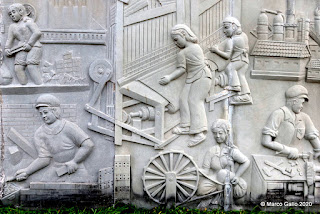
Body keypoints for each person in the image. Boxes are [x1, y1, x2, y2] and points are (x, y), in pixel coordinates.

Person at [15, 94, 94, 182]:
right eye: (41, 113)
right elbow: (44, 158)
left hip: (75, 168)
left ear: (55, 111)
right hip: (56, 169)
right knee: (42, 187)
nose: (43, 116)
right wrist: (27, 171)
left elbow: (88, 145)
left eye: (45, 112)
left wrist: (75, 161)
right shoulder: (39, 133)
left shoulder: (69, 127)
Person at [159, 24, 212, 147]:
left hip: (202, 77)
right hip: (192, 78)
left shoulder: (191, 50)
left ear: (184, 34)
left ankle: (199, 132)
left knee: (194, 100)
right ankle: (185, 125)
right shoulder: (190, 50)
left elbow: (181, 70)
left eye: (176, 39)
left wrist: (169, 77)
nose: (175, 43)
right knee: (183, 99)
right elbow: (183, 69)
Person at [261, 85, 320, 160]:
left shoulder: (305, 117)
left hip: (298, 161)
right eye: (302, 103)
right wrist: (288, 150)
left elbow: (313, 138)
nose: (302, 106)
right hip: (276, 160)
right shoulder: (278, 114)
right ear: (294, 101)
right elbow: (266, 141)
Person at [197, 119, 250, 199]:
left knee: (222, 173)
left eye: (220, 133)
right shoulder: (211, 151)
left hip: (231, 181)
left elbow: (246, 162)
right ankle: (220, 191)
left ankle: (220, 197)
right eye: (215, 133)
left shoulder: (232, 150)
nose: (217, 136)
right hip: (215, 180)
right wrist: (194, 170)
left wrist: (237, 176)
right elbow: (205, 170)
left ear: (226, 133)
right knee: (201, 190)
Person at [209, 16, 251, 104]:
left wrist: (216, 50)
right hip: (245, 61)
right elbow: (247, 49)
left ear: (233, 26)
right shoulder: (244, 35)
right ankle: (245, 95)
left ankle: (235, 86)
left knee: (230, 68)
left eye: (226, 28)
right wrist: (243, 50)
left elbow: (227, 55)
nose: (224, 31)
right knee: (241, 75)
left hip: (238, 60)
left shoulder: (231, 40)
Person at [5, 3, 42, 85]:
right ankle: (25, 87)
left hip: (34, 46)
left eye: (13, 12)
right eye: (10, 14)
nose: (12, 15)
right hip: (20, 47)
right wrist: (7, 48)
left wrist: (29, 44)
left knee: (31, 65)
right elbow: (9, 39)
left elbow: (37, 33)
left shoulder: (28, 21)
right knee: (18, 68)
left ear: (21, 11)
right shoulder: (12, 26)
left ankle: (39, 84)